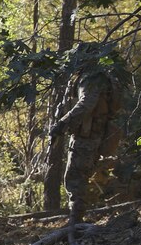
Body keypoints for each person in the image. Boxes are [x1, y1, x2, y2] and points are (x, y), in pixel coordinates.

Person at [50, 43, 127, 221]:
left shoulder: (91, 79)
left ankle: (75, 222)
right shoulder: (99, 77)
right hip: (94, 133)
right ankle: (77, 219)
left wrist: (62, 123)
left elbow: (86, 103)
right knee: (80, 176)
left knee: (75, 178)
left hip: (88, 135)